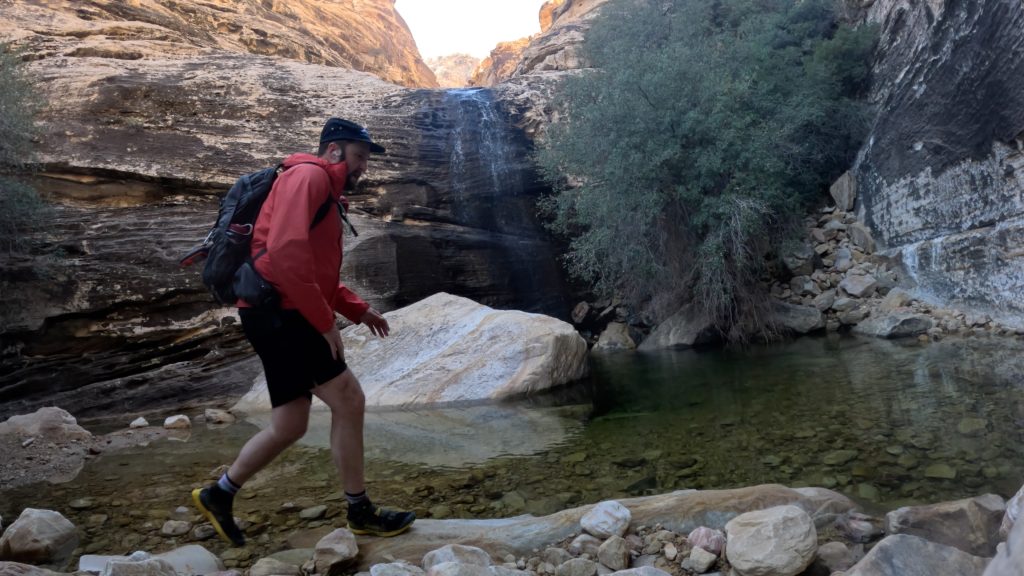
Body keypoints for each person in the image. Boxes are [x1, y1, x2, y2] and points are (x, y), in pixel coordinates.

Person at [191, 118, 415, 544]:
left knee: (290, 423)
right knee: (349, 400)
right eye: (359, 157)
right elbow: (287, 253)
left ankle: (218, 494)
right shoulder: (309, 176)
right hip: (281, 312)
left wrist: (357, 309)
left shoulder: (327, 196)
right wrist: (325, 323)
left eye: (366, 159)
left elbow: (313, 270)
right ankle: (360, 510)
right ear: (334, 151)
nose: (364, 167)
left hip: (275, 309)